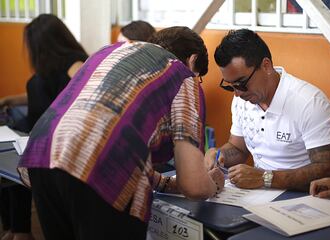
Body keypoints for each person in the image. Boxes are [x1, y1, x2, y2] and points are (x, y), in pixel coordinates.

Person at [17, 26, 225, 240]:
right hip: (98, 168)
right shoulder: (182, 75)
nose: (196, 81)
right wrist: (213, 184)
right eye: (198, 77)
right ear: (192, 60)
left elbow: (115, 145)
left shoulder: (108, 52)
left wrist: (168, 185)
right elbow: (194, 186)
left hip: (40, 155)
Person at [205, 29, 330, 191]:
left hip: (305, 198)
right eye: (230, 86)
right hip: (260, 193)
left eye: (241, 83)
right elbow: (238, 148)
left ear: (266, 66)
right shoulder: (242, 99)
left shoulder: (309, 102)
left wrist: (265, 178)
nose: (237, 93)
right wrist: (218, 154)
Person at [0, 14, 88, 240]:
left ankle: (20, 231)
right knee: (7, 169)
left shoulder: (75, 62)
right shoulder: (47, 65)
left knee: (18, 166)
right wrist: (9, 100)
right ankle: (14, 227)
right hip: (32, 131)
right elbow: (39, 93)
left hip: (52, 138)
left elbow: (83, 94)